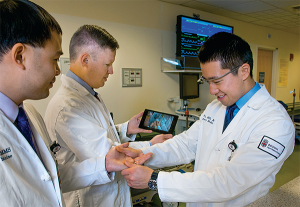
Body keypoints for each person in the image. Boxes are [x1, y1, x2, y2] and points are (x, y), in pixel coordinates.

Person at [119, 32, 295, 207]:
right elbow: (186, 144)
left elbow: (230, 182)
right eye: (206, 81)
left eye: (216, 81)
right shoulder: (216, 107)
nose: (212, 90)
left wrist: (155, 180)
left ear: (244, 71)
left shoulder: (276, 123)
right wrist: (143, 153)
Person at [44, 24, 172, 207]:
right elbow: (109, 155)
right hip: (94, 199)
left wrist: (126, 128)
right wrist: (151, 144)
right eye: (108, 64)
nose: (111, 71)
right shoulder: (67, 106)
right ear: (85, 59)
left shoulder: (87, 94)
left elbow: (97, 135)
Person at [0, 0, 64, 206]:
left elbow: (45, 179)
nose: (58, 70)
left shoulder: (29, 115)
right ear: (20, 56)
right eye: (55, 59)